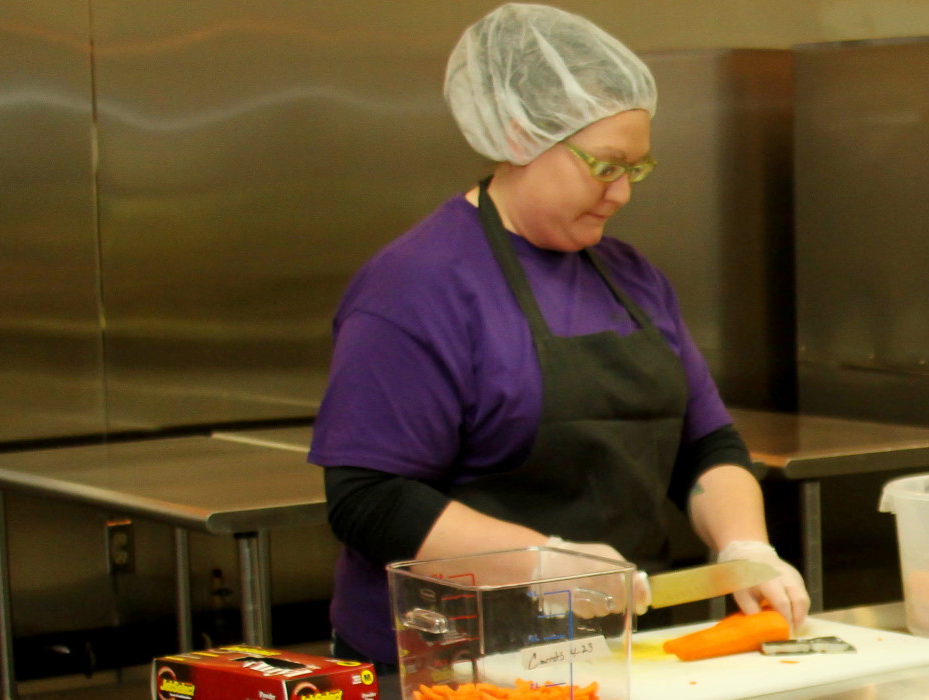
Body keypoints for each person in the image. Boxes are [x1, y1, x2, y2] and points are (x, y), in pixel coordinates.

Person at [310, 2, 807, 672]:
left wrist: (744, 547)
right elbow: (370, 499)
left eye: (637, 168)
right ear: (520, 136)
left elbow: (705, 444)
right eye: (605, 165)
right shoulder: (416, 286)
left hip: (611, 655)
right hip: (448, 665)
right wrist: (540, 564)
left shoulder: (632, 279)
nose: (624, 192)